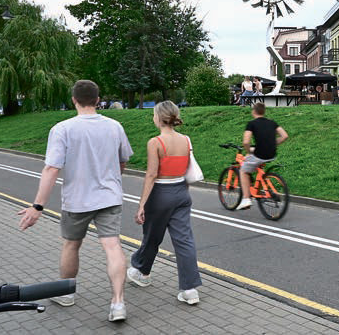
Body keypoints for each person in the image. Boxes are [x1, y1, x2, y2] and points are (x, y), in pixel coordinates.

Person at [18, 80, 133, 322]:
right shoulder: (115, 126)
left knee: (71, 245)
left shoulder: (62, 129)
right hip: (109, 197)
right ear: (98, 100)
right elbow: (123, 160)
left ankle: (66, 293)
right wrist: (111, 179)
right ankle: (118, 303)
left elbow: (51, 168)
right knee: (113, 246)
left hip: (77, 200)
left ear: (74, 100)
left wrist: (38, 206)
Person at [127, 101, 202, 305]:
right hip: (181, 192)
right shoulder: (186, 140)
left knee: (152, 236)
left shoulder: (155, 142)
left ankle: (142, 272)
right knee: (184, 241)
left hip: (160, 193)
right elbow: (186, 169)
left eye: (153, 115)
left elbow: (152, 175)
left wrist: (142, 204)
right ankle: (190, 289)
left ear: (159, 118)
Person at [236, 103, 289, 210]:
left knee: (243, 171)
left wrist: (248, 152)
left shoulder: (251, 124)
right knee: (255, 161)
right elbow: (285, 136)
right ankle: (260, 184)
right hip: (272, 154)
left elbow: (246, 142)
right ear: (263, 111)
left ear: (253, 111)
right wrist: (272, 143)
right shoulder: (272, 122)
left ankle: (246, 199)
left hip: (260, 154)